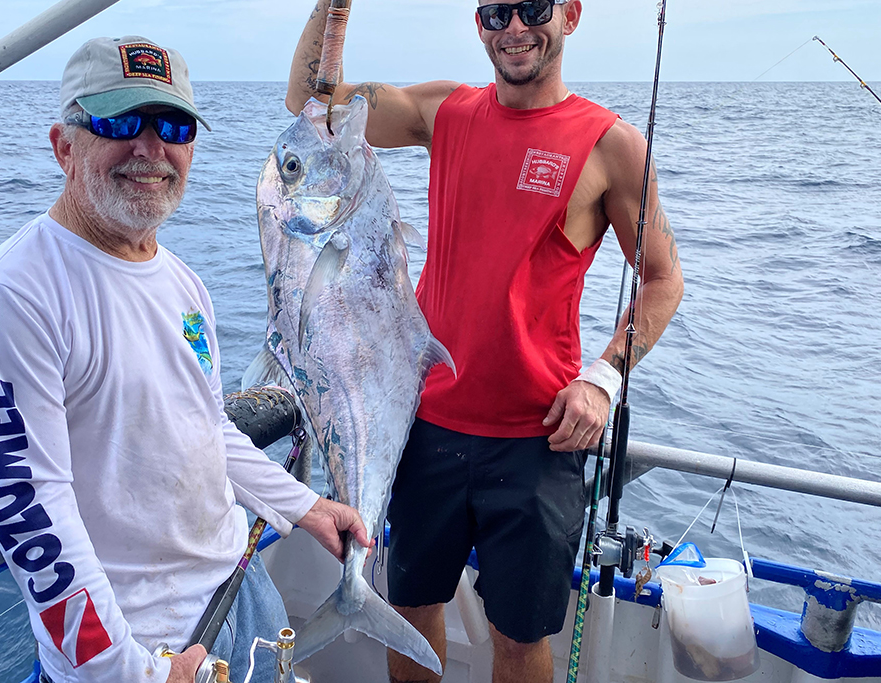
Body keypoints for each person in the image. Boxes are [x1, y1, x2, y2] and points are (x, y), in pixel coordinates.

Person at [0, 36, 371, 683]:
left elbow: (205, 426)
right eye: (119, 122)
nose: (150, 148)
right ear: (64, 144)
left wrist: (304, 506)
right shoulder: (11, 296)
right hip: (141, 642)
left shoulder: (182, 282)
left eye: (171, 126)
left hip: (238, 591)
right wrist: (131, 672)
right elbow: (29, 512)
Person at [286, 2, 685, 681]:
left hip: (539, 438)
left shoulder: (611, 144)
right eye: (495, 13)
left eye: (531, 8)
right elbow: (310, 104)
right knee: (409, 605)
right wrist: (337, 5)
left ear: (571, 14)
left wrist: (603, 379)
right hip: (424, 423)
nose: (513, 29)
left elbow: (662, 277)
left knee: (518, 635)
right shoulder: (445, 112)